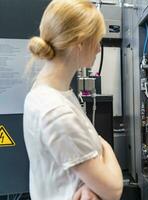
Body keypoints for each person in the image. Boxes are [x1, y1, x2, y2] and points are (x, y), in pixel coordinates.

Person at [23, 0, 123, 200]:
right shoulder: (56, 111)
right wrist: (107, 149)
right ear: (80, 42)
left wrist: (90, 183)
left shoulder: (53, 92)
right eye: (97, 40)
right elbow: (113, 190)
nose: (98, 49)